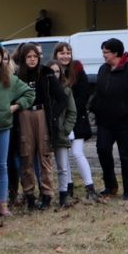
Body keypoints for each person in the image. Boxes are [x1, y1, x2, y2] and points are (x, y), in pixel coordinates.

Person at [0, 38, 34, 221]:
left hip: (4, 126)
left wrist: (16, 106)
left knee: (2, 166)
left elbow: (29, 92)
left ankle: (2, 204)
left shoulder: (9, 78)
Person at [92, 37, 128, 200]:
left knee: (126, 155)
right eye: (103, 52)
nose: (103, 55)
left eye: (106, 52)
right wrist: (94, 106)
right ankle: (110, 186)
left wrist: (126, 110)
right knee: (102, 149)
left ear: (116, 53)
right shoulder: (103, 69)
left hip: (127, 122)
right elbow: (99, 92)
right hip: (105, 121)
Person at [13, 42, 65, 210]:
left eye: (35, 56)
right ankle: (29, 195)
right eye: (29, 56)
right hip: (23, 114)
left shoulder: (47, 73)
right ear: (23, 58)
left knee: (44, 156)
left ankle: (47, 194)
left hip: (42, 113)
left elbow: (61, 98)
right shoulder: (17, 75)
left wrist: (52, 115)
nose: (32, 59)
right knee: (26, 155)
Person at [53, 41, 100, 202]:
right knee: (63, 156)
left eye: (68, 53)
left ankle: (90, 186)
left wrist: (71, 111)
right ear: (56, 55)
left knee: (77, 152)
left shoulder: (77, 70)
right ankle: (68, 186)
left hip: (77, 119)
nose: (65, 56)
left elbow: (83, 94)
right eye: (62, 53)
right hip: (59, 120)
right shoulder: (52, 71)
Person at [47, 54, 79, 208]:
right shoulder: (43, 90)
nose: (54, 74)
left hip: (60, 132)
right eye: (51, 72)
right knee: (45, 167)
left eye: (57, 71)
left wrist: (65, 129)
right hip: (45, 132)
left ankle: (63, 194)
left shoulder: (66, 90)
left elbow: (72, 112)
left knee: (63, 167)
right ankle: (45, 194)